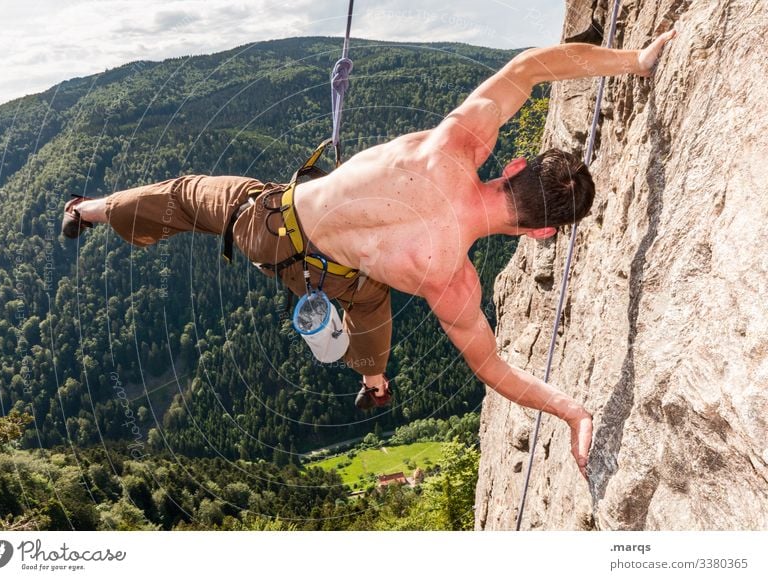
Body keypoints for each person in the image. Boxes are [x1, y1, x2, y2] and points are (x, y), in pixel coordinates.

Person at [63, 31, 675, 476]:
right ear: (542, 234)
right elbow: (495, 371)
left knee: (184, 197)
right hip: (326, 280)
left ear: (514, 166)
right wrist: (571, 411)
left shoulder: (453, 144)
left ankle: (86, 210)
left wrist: (637, 63)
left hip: (269, 224)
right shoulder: (452, 283)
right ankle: (374, 380)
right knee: (371, 297)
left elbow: (531, 67)